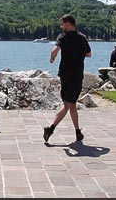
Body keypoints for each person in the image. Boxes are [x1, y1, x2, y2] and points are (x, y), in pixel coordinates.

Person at [43, 14, 92, 143]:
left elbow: (54, 51)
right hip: (76, 74)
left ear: (68, 24)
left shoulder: (62, 37)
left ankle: (78, 132)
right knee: (67, 104)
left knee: (72, 104)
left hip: (64, 74)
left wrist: (52, 58)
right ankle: (51, 129)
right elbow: (89, 54)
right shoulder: (82, 38)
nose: (61, 26)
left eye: (63, 24)